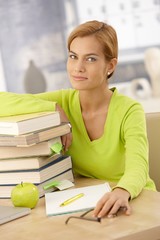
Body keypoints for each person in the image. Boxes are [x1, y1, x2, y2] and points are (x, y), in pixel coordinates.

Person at [0, 20, 156, 218]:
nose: (78, 67)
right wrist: (52, 108)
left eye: (90, 59)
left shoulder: (129, 110)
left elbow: (139, 167)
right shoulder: (63, 102)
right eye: (73, 57)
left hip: (135, 198)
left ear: (110, 65)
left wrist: (122, 191)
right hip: (89, 202)